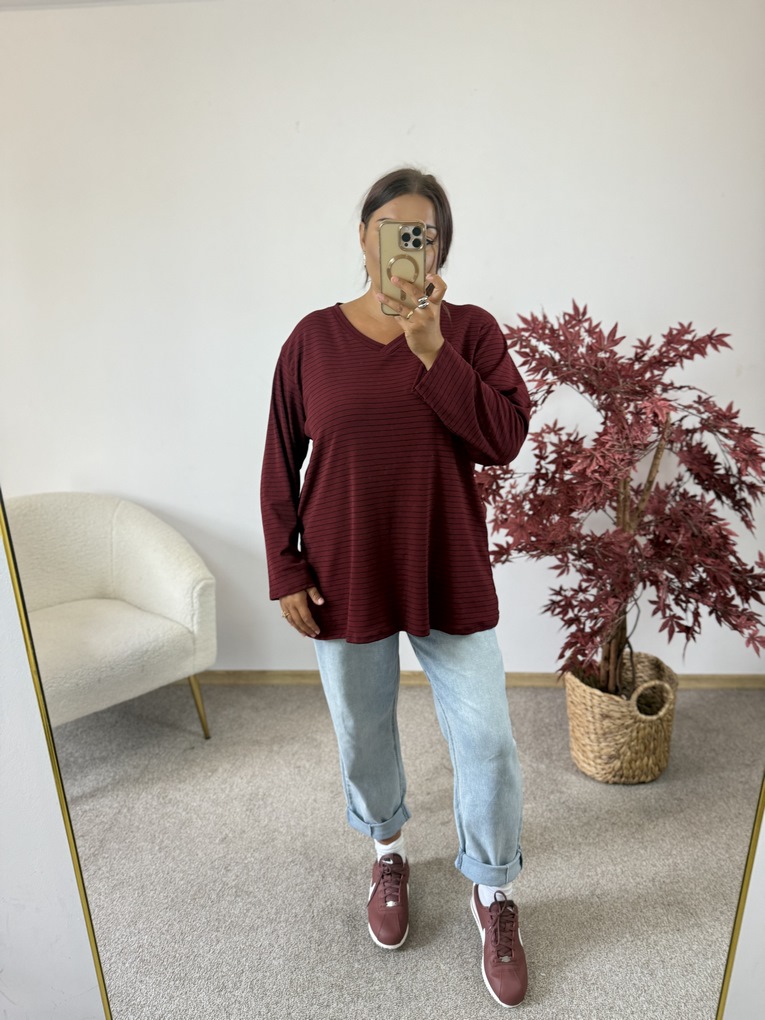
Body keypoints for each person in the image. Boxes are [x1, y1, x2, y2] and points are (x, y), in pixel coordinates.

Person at [260, 167, 531, 1008]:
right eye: (393, 230)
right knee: (362, 730)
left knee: (487, 740)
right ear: (364, 237)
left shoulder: (470, 332)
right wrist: (285, 567)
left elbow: (503, 439)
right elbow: (279, 459)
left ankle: (492, 889)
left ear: (441, 248)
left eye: (425, 234)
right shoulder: (311, 339)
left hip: (446, 563)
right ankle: (387, 852)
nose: (409, 246)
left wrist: (431, 351)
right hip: (343, 570)